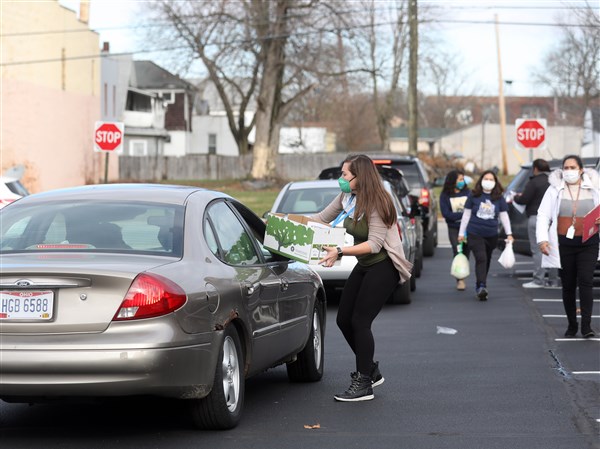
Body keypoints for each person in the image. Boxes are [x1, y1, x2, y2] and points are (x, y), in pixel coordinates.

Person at [314, 154, 412, 402]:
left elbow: (375, 245)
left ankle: (364, 382)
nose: (341, 179)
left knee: (360, 322)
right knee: (343, 319)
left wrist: (339, 251)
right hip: (365, 265)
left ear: (360, 177)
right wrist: (282, 221)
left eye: (345, 175)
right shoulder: (347, 197)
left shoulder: (379, 201)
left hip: (384, 266)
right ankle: (371, 370)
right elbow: (321, 219)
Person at [537, 155, 600, 338]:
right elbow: (543, 215)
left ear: (581, 170)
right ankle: (572, 324)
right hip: (564, 243)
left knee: (586, 282)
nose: (569, 171)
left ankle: (586, 326)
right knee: (568, 284)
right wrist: (542, 239)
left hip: (589, 241)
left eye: (573, 167)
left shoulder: (594, 188)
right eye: (566, 167)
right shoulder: (554, 189)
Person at [458, 170, 514, 300]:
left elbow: (504, 216)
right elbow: (466, 215)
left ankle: (482, 283)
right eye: (486, 178)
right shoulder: (474, 196)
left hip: (491, 234)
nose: (488, 181)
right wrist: (461, 233)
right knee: (481, 257)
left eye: (491, 179)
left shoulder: (499, 198)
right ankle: (481, 286)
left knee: (487, 259)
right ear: (481, 180)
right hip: (475, 233)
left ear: (495, 182)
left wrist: (509, 233)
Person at [513, 159, 560, 288]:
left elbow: (524, 199)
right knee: (553, 249)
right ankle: (553, 280)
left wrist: (515, 197)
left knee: (538, 250)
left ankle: (539, 280)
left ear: (535, 169)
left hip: (536, 218)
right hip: (553, 220)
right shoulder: (554, 182)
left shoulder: (534, 182)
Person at [439, 169, 471, 291]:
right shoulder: (445, 195)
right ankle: (460, 279)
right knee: (458, 251)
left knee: (467, 252)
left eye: (463, 179)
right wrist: (463, 215)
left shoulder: (468, 193)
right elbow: (446, 214)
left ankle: (463, 273)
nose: (462, 182)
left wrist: (465, 217)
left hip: (468, 228)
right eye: (460, 179)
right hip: (453, 228)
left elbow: (472, 210)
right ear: (453, 181)